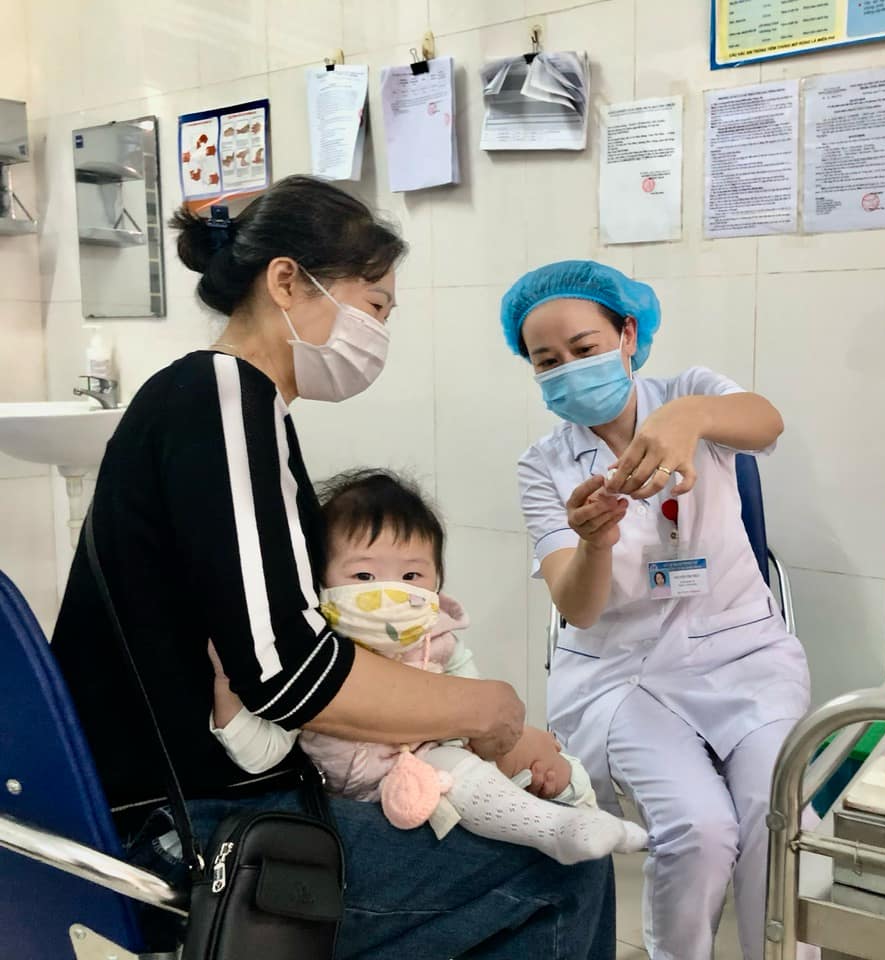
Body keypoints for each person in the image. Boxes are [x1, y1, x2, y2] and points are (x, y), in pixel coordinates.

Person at [50, 178, 615, 960]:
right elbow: (290, 673)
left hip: (221, 796)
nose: (379, 329)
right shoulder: (218, 397)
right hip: (183, 826)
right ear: (287, 281)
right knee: (563, 871)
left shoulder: (248, 417)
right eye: (375, 304)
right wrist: (481, 710)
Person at [502, 260, 812, 960]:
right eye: (545, 361)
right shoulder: (544, 466)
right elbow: (576, 608)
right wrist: (593, 541)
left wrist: (688, 416)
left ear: (628, 334)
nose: (568, 369)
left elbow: (766, 424)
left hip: (742, 654)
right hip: (624, 673)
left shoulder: (690, 393)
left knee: (777, 811)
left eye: (584, 348)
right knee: (699, 830)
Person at [208, 467, 648, 865]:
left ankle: (563, 825)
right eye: (363, 577)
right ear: (317, 578)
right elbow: (258, 752)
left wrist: (510, 747)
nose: (389, 593)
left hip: (430, 770)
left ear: (437, 581)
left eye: (411, 577)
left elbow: (479, 723)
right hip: (339, 809)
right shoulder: (314, 659)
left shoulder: (437, 644)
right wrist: (228, 680)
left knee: (465, 770)